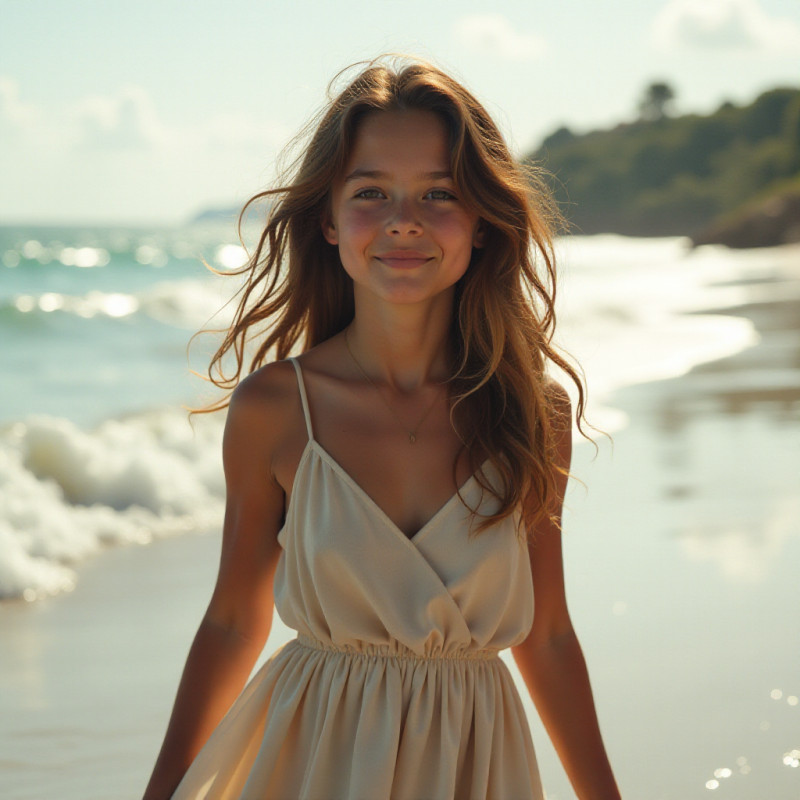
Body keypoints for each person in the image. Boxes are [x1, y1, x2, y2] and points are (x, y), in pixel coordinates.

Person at [143, 55, 621, 800]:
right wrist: (161, 791)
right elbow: (235, 621)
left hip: (473, 764)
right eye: (372, 192)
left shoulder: (532, 413)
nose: (405, 219)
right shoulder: (276, 409)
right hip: (311, 760)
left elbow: (549, 634)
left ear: (484, 224)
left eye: (440, 193)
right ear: (329, 220)